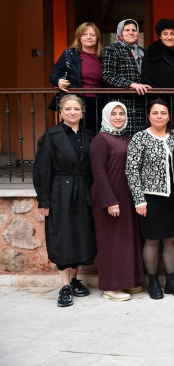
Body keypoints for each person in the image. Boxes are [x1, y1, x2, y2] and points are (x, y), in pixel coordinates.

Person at [33, 94, 96, 307]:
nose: (72, 112)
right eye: (68, 109)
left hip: (83, 191)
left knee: (81, 235)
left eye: (76, 108)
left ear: (82, 112)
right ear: (60, 112)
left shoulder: (89, 135)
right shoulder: (51, 136)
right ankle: (65, 286)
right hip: (60, 192)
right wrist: (44, 200)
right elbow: (42, 170)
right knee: (62, 237)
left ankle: (75, 280)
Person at [126, 99, 174, 299]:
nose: (159, 116)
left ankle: (171, 283)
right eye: (155, 113)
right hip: (150, 198)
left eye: (163, 113)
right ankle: (153, 283)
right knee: (152, 240)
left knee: (171, 239)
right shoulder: (140, 138)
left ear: (169, 116)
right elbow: (132, 171)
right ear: (149, 116)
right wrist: (139, 200)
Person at [90, 102, 143, 301]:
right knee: (111, 242)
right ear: (106, 116)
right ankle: (111, 288)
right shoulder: (101, 140)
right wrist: (109, 200)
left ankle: (126, 281)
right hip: (110, 198)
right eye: (114, 114)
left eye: (122, 113)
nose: (118, 117)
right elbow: (99, 173)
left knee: (126, 241)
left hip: (126, 197)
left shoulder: (125, 137)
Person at [49, 22, 104, 132]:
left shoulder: (104, 56)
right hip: (76, 101)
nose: (88, 37)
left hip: (99, 102)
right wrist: (58, 81)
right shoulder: (69, 54)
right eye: (84, 34)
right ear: (79, 38)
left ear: (97, 38)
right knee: (75, 133)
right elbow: (54, 73)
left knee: (95, 134)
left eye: (92, 35)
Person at [102, 19, 151, 134]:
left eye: (134, 30)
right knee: (124, 136)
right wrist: (131, 84)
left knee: (139, 135)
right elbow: (107, 76)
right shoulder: (112, 49)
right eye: (127, 30)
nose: (131, 33)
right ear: (120, 32)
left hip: (140, 102)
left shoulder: (141, 51)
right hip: (121, 101)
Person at [141, 18, 174, 88]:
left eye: (172, 34)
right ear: (160, 36)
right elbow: (147, 81)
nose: (169, 37)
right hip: (160, 95)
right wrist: (159, 94)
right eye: (165, 34)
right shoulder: (152, 53)